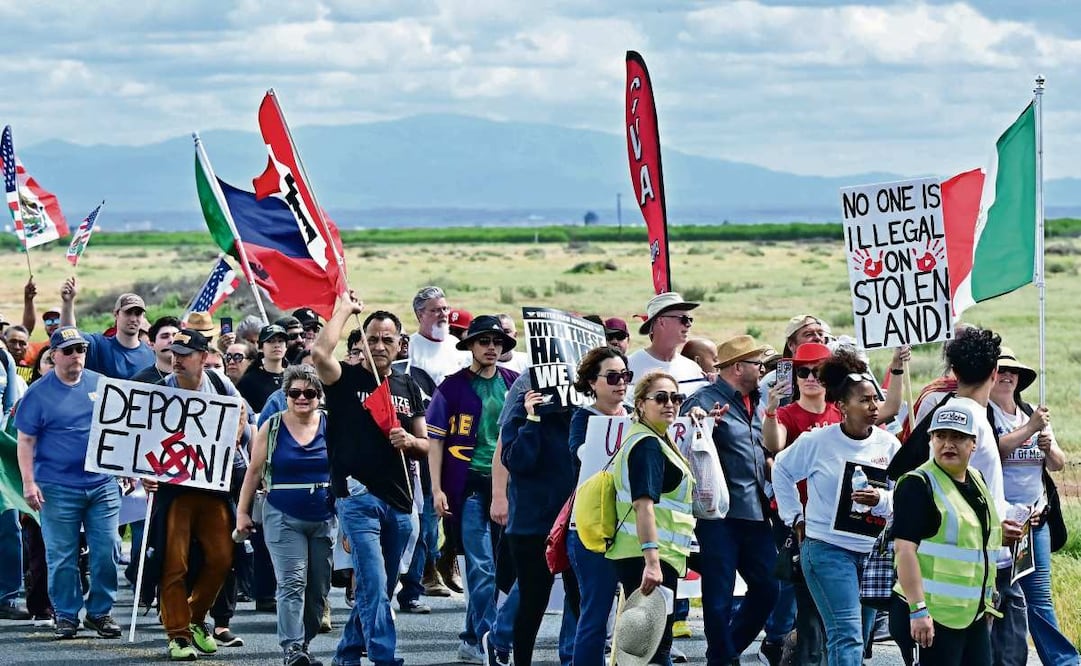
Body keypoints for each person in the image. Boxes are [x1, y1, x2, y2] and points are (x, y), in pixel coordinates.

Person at [310, 296, 429, 666]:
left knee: (382, 591)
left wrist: (409, 442)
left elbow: (426, 444)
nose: (378, 346)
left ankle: (346, 655)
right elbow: (318, 354)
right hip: (357, 499)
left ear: (399, 345)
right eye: (372, 339)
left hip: (400, 502)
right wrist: (344, 310)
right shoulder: (344, 379)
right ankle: (384, 658)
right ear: (360, 343)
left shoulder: (409, 387)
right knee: (373, 586)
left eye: (386, 340)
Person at [773, 350, 900, 666]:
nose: (874, 406)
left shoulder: (888, 445)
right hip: (828, 550)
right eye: (865, 400)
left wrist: (882, 500)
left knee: (859, 638)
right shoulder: (817, 441)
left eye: (875, 399)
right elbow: (781, 470)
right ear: (842, 406)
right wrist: (795, 517)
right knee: (847, 635)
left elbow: (903, 494)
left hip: (873, 555)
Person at [146, 328, 250, 661]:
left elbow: (241, 412)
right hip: (175, 490)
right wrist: (143, 474)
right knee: (173, 562)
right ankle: (177, 634)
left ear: (203, 358)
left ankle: (194, 618)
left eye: (185, 354)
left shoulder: (220, 384)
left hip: (213, 485)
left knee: (222, 556)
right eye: (174, 353)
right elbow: (142, 436)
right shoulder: (161, 391)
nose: (176, 359)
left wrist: (231, 437)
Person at [15, 326, 122, 639]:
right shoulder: (37, 392)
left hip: (102, 483)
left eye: (81, 350)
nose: (77, 356)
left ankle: (100, 612)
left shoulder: (100, 384)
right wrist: (28, 483)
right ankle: (66, 614)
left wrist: (127, 468)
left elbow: (120, 429)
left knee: (108, 549)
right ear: (54, 355)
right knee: (62, 555)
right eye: (69, 351)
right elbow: (25, 441)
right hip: (57, 486)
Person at [427, 315, 519, 663]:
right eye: (484, 341)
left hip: (508, 488)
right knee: (481, 568)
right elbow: (434, 442)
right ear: (471, 346)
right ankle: (490, 638)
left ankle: (470, 637)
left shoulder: (514, 383)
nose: (491, 347)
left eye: (497, 341)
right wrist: (436, 489)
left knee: (502, 569)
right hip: (465, 487)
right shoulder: (450, 387)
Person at [681, 334, 777, 666]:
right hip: (718, 516)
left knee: (768, 588)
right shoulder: (705, 399)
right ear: (738, 367)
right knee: (718, 595)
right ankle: (724, 658)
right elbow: (686, 442)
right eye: (757, 364)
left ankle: (724, 652)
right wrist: (704, 423)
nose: (763, 369)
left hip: (756, 512)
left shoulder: (762, 400)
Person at [889, 402, 1003, 665]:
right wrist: (918, 611)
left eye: (958, 437)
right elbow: (904, 551)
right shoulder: (917, 484)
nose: (948, 444)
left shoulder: (976, 479)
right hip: (930, 614)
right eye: (941, 436)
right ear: (930, 439)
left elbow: (976, 545)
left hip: (969, 614)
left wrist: (985, 602)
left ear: (973, 443)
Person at [237, 365, 334, 666]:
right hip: (282, 514)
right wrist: (242, 512)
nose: (301, 398)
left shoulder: (332, 425)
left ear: (319, 395)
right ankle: (292, 648)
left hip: (324, 516)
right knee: (292, 582)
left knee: (318, 588)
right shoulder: (273, 425)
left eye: (308, 393)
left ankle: (303, 642)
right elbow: (253, 471)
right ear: (286, 395)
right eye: (294, 393)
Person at [989, 348, 1078, 666]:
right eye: (1000, 370)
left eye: (1013, 372)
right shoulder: (985, 415)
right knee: (997, 597)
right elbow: (989, 454)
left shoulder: (1030, 412)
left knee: (1039, 599)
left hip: (1035, 520)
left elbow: (1057, 464)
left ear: (1019, 380)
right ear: (990, 376)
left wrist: (1048, 445)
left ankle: (1065, 662)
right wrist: (1029, 430)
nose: (1007, 375)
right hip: (998, 523)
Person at [606, 370, 695, 666]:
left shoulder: (654, 439)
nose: (670, 403)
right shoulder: (647, 445)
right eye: (661, 397)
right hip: (647, 559)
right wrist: (652, 562)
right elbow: (643, 506)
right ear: (641, 404)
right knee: (655, 647)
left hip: (651, 556)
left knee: (653, 645)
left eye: (676, 397)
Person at [761, 341, 837, 666]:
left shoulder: (840, 412)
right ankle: (800, 652)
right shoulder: (787, 413)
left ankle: (801, 650)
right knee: (807, 600)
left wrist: (897, 366)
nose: (809, 378)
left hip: (835, 519)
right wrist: (770, 410)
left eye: (817, 372)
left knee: (828, 604)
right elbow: (774, 445)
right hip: (798, 521)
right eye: (802, 372)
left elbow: (884, 414)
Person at [500, 359, 578, 666]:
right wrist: (532, 419)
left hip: (574, 521)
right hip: (532, 524)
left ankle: (575, 656)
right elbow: (517, 461)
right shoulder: (520, 412)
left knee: (581, 601)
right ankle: (519, 658)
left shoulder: (579, 416)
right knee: (534, 601)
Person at [567, 347, 631, 666]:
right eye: (613, 377)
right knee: (596, 612)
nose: (621, 383)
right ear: (593, 382)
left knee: (639, 613)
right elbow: (581, 455)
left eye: (626, 376)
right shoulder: (583, 417)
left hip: (631, 526)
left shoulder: (636, 415)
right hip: (592, 528)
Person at [59, 280, 154, 379]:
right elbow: (68, 334)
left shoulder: (151, 354)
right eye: (128, 312)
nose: (133, 319)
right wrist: (68, 303)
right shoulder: (98, 345)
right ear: (116, 314)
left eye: (138, 314)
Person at [627, 292, 707, 394]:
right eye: (683, 319)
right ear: (661, 322)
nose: (688, 324)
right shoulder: (629, 366)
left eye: (690, 319)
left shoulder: (693, 369)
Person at [408, 286, 469, 387]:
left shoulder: (456, 345)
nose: (443, 314)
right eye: (435, 310)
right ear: (420, 315)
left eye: (445, 309)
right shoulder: (410, 347)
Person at [239, 324, 290, 414]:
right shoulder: (249, 381)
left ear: (286, 347)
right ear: (261, 347)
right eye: (270, 341)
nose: (277, 345)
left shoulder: (293, 377)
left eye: (280, 341)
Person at [131, 316, 181, 384]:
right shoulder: (139, 382)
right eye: (165, 337)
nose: (171, 341)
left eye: (176, 336)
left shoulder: (194, 376)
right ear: (151, 345)